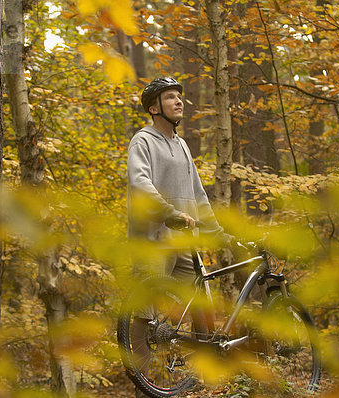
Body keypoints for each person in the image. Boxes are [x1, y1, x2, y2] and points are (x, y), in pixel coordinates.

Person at [126, 77, 230, 397]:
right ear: (154, 107)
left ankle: (196, 383)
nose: (179, 102)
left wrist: (216, 232)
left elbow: (198, 195)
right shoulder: (143, 141)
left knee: (199, 304)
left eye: (179, 97)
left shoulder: (182, 145)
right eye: (170, 97)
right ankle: (143, 386)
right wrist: (169, 212)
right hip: (153, 238)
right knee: (144, 312)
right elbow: (140, 184)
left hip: (183, 242)